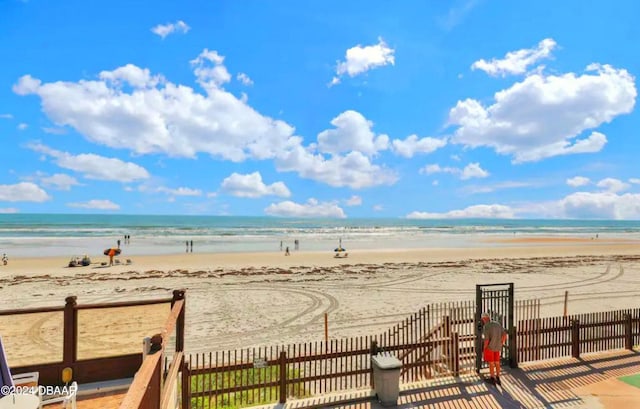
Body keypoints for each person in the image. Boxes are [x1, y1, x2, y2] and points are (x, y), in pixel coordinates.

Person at [481, 312, 507, 386]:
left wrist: (484, 348)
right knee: (497, 362)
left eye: (483, 319)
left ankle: (492, 378)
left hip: (490, 347)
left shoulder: (486, 326)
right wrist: (501, 342)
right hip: (497, 347)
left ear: (484, 319)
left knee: (491, 363)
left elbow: (486, 340)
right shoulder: (497, 324)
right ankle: (498, 377)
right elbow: (504, 334)